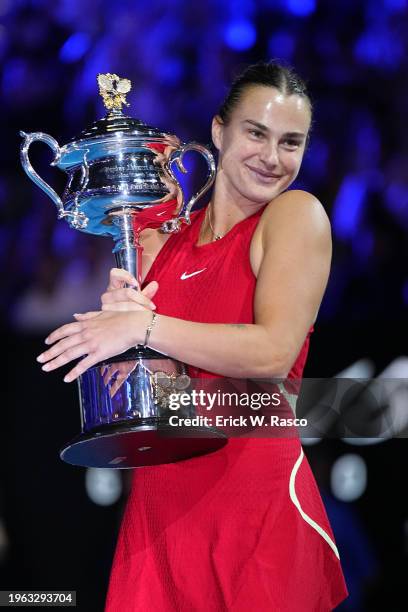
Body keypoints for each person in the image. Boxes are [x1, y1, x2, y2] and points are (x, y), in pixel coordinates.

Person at [37, 61, 349, 610]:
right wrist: (126, 349)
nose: (272, 158)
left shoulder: (295, 216)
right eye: (256, 133)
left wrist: (146, 326)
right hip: (160, 519)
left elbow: (273, 351)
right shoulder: (160, 241)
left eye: (291, 142)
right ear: (218, 131)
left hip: (257, 515)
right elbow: (166, 392)